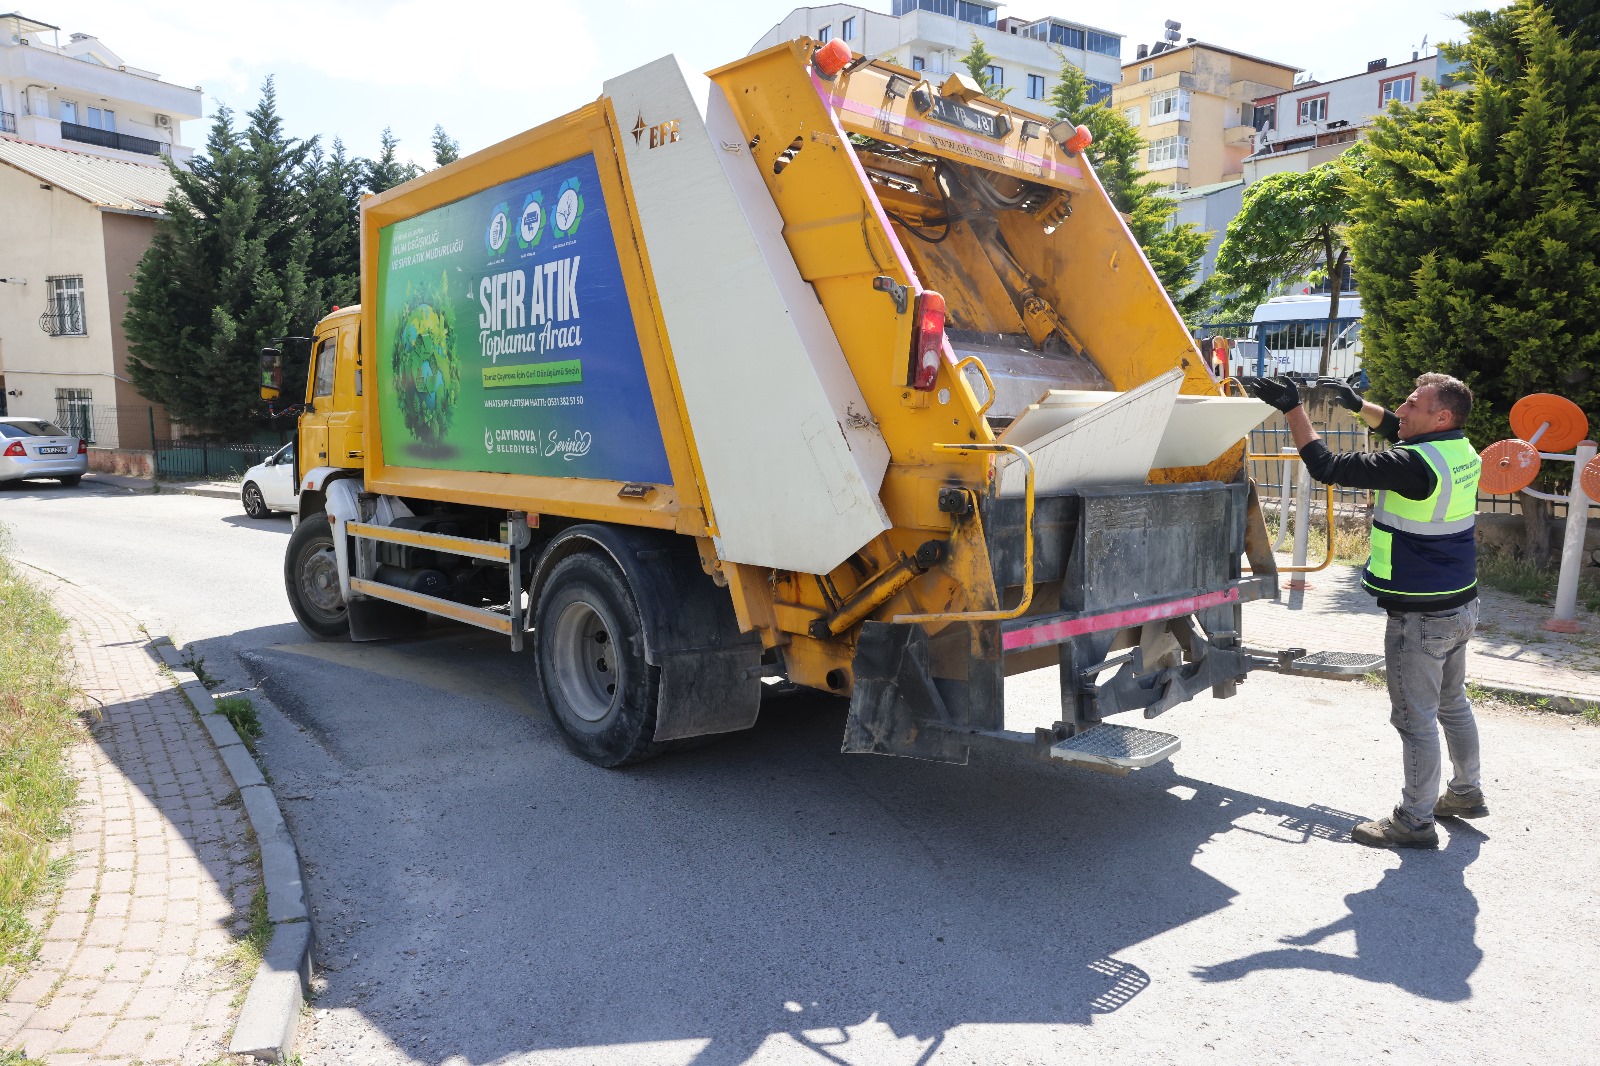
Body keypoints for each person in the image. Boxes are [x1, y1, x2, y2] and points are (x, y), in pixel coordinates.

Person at [1249, 373, 1485, 850]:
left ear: (1440, 416)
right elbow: (1399, 426)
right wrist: (1357, 404)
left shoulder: (1411, 464)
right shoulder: (1459, 449)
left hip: (1420, 616)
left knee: (1415, 719)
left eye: (1414, 403)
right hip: (1461, 603)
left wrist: (1293, 408)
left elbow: (1326, 466)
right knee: (1451, 704)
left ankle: (1414, 822)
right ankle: (1465, 792)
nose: (1402, 408)